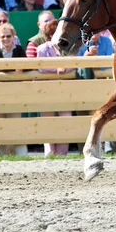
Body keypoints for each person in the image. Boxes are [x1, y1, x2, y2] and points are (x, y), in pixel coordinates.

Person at [0, 22, 28, 156]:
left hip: (15, 93)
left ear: (13, 36)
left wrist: (22, 69)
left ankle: (18, 153)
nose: (6, 39)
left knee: (15, 122)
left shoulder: (18, 50)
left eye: (8, 36)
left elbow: (28, 67)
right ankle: (3, 153)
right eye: (3, 37)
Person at [37, 19, 74, 157]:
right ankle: (49, 152)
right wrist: (57, 68)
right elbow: (40, 68)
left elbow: (76, 63)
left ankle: (62, 153)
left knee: (66, 121)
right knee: (47, 121)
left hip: (66, 91)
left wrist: (66, 67)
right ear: (50, 35)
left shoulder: (70, 48)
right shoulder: (42, 48)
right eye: (55, 33)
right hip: (46, 90)